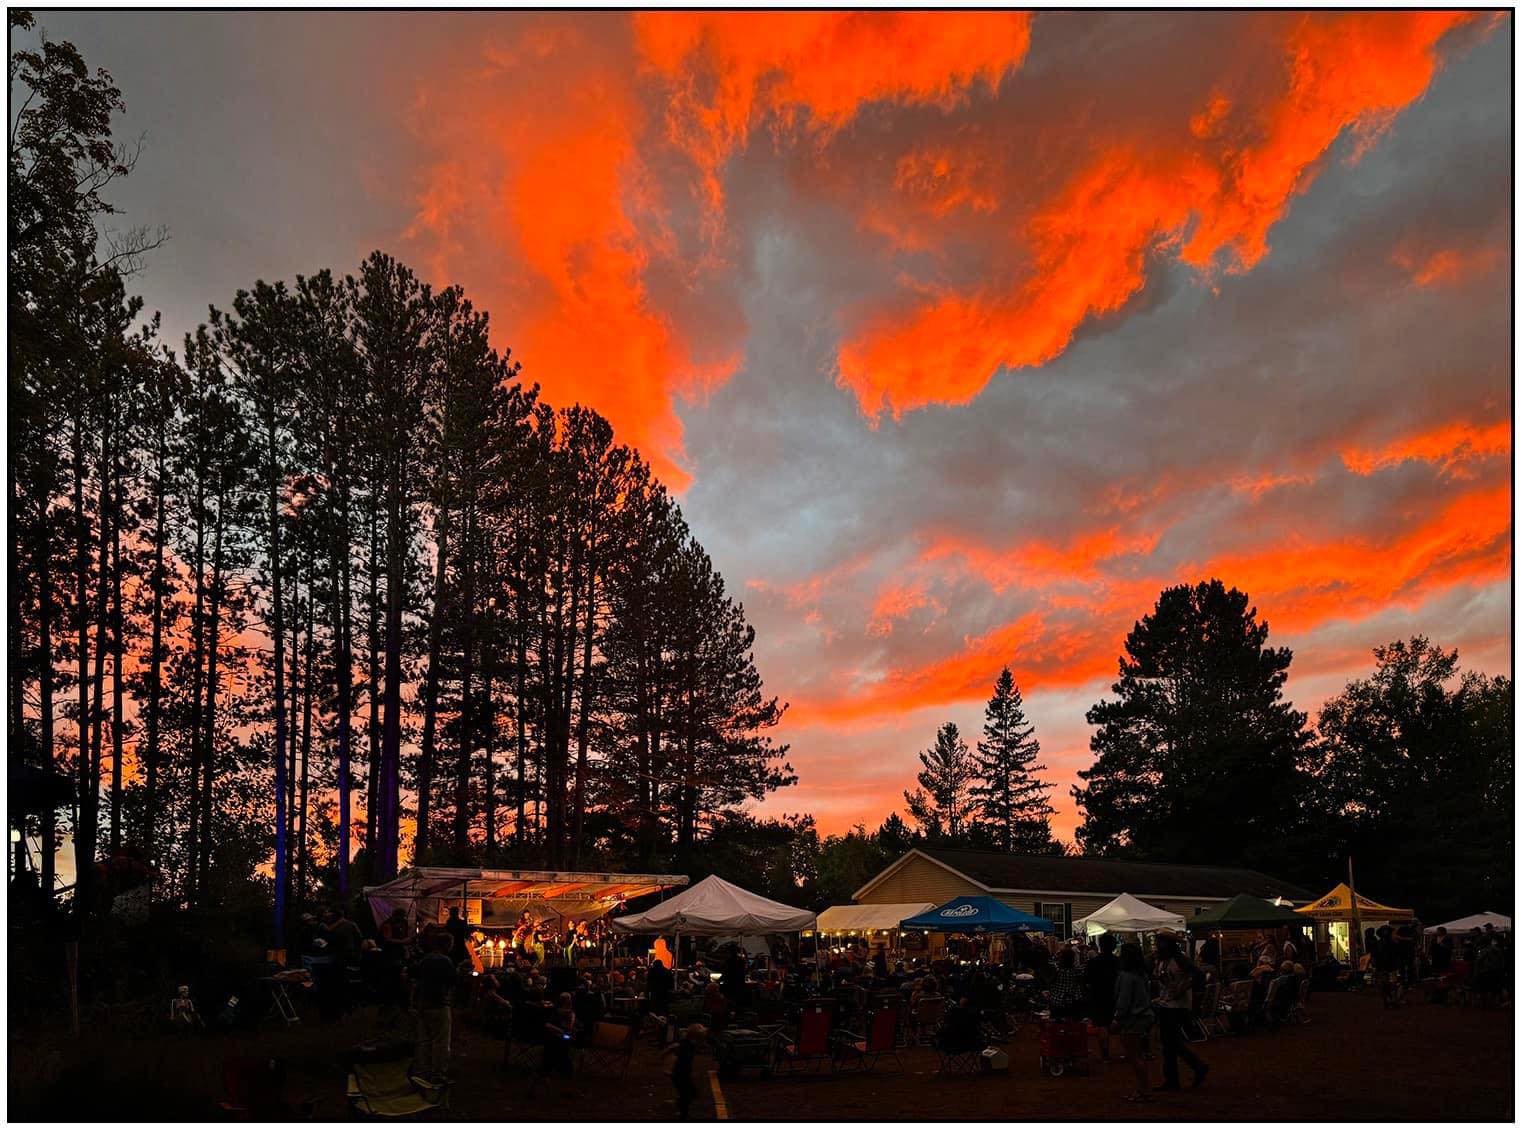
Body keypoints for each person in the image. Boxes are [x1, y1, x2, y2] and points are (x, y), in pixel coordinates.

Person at [1153, 934, 1208, 1091]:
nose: (1157, 944)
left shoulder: (1179, 959)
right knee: (1169, 1044)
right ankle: (1174, 1078)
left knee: (1171, 1043)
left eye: (1159, 942)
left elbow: (1198, 975)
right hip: (1166, 1004)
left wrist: (1183, 988)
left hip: (1176, 1006)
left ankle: (1195, 1067)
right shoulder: (1162, 959)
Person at [410, 931, 457, 1085]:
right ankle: (437, 1073)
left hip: (423, 1003)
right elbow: (452, 982)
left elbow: (415, 979)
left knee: (424, 1040)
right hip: (439, 1003)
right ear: (446, 945)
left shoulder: (425, 960)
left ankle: (422, 1072)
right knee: (440, 1041)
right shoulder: (446, 961)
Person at [1112, 943, 1154, 1102]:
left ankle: (1143, 1089)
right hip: (1145, 1015)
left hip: (1133, 1018)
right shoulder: (1142, 974)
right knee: (1140, 1055)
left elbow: (1124, 1001)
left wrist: (1117, 1019)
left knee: (1135, 1056)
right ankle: (1144, 1087)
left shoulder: (1126, 976)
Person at [1084, 934, 1119, 1060]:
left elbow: (1086, 979)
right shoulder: (1117, 962)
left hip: (1098, 995)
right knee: (1112, 1022)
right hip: (1113, 995)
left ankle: (1105, 1053)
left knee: (1102, 1025)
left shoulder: (1093, 962)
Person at [667, 1022, 706, 1119]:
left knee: (690, 1094)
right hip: (680, 1074)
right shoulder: (685, 1045)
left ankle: (680, 1105)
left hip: (682, 1073)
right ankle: (683, 1113)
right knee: (687, 1094)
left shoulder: (688, 1044)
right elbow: (675, 1052)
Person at [1049, 946, 1086, 1020]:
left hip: (1057, 1001)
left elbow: (1050, 983)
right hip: (1074, 1001)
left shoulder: (1057, 971)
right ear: (1072, 959)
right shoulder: (1077, 972)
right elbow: (1081, 984)